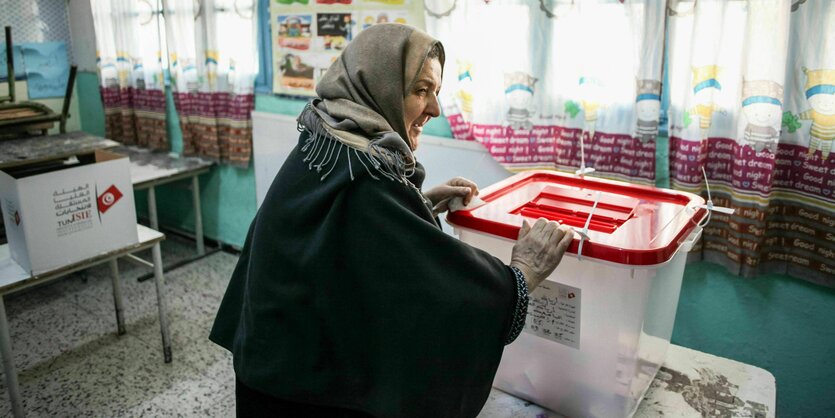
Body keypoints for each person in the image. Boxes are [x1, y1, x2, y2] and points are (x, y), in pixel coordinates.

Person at [210, 24, 574, 418]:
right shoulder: (368, 181)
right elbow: (439, 293)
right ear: (379, 84)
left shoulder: (330, 133)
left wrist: (416, 203)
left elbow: (343, 239)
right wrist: (521, 273)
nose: (435, 108)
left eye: (436, 91)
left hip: (278, 364)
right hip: (302, 394)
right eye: (421, 90)